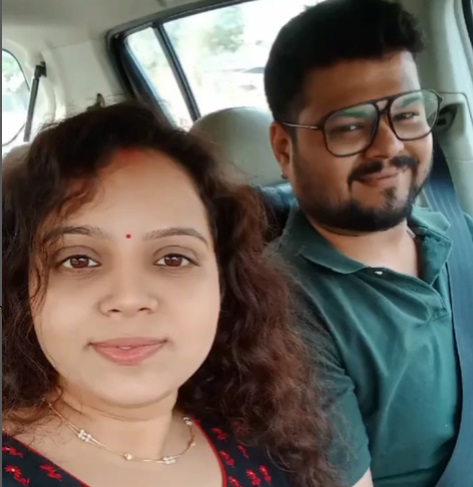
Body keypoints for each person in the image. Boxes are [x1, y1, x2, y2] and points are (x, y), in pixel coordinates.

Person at [2, 102, 336, 487]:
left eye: (173, 258)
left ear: (223, 286)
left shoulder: (265, 440)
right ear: (23, 289)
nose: (129, 298)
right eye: (79, 260)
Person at [264, 1, 473, 487]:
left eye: (408, 113)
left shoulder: (455, 229)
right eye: (350, 126)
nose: (390, 146)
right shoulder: (279, 312)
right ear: (284, 149)